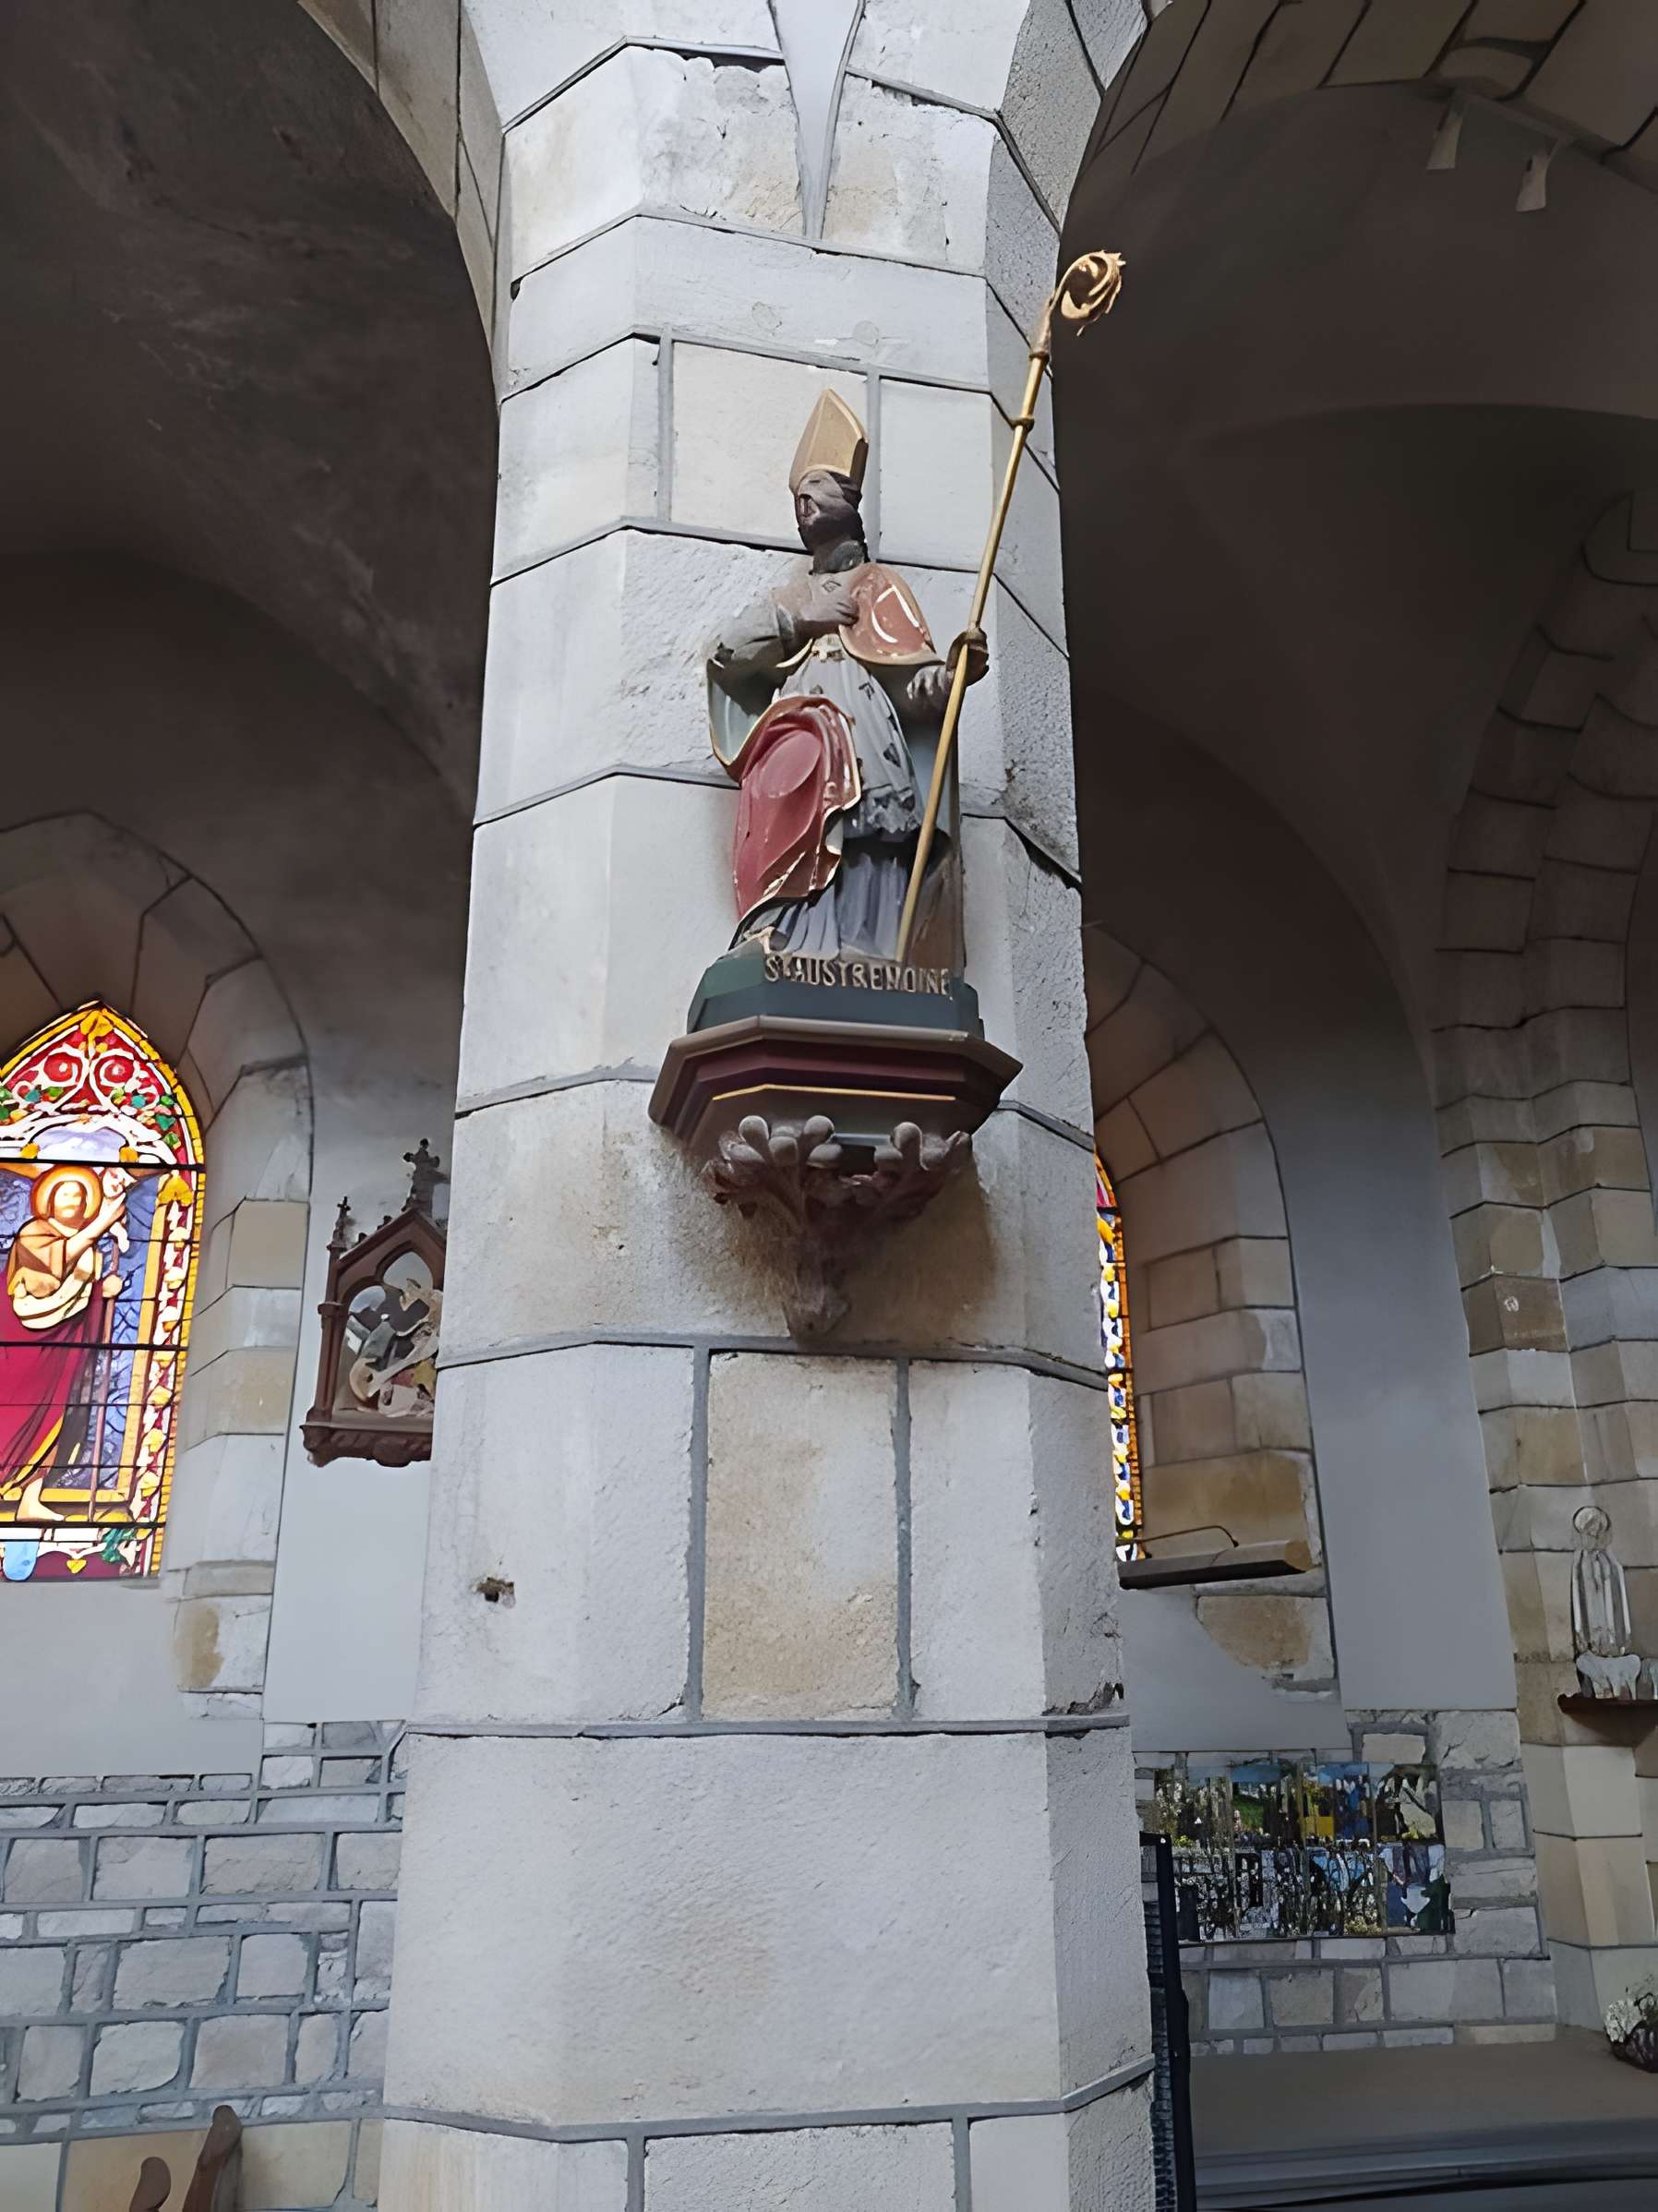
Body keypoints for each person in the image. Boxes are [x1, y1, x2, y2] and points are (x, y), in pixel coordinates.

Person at [706, 391, 988, 969]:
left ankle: (871, 949)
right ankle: (790, 940)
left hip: (865, 732)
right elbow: (725, 656)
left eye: (817, 492)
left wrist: (950, 677)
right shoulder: (790, 597)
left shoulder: (878, 584)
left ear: (849, 502)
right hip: (801, 737)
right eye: (798, 499)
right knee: (791, 818)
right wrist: (797, 621)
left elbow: (914, 682)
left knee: (869, 832)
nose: (804, 506)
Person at [0, 1163, 127, 1520]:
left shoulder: (89, 1250)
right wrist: (104, 1221)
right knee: (15, 1413)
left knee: (57, 1414)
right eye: (66, 1193)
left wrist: (103, 1292)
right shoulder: (33, 1233)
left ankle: (30, 1499)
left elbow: (78, 1302)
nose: (73, 1200)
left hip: (63, 1347)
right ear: (49, 1202)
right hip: (20, 1346)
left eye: (79, 1194)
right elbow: (47, 1279)